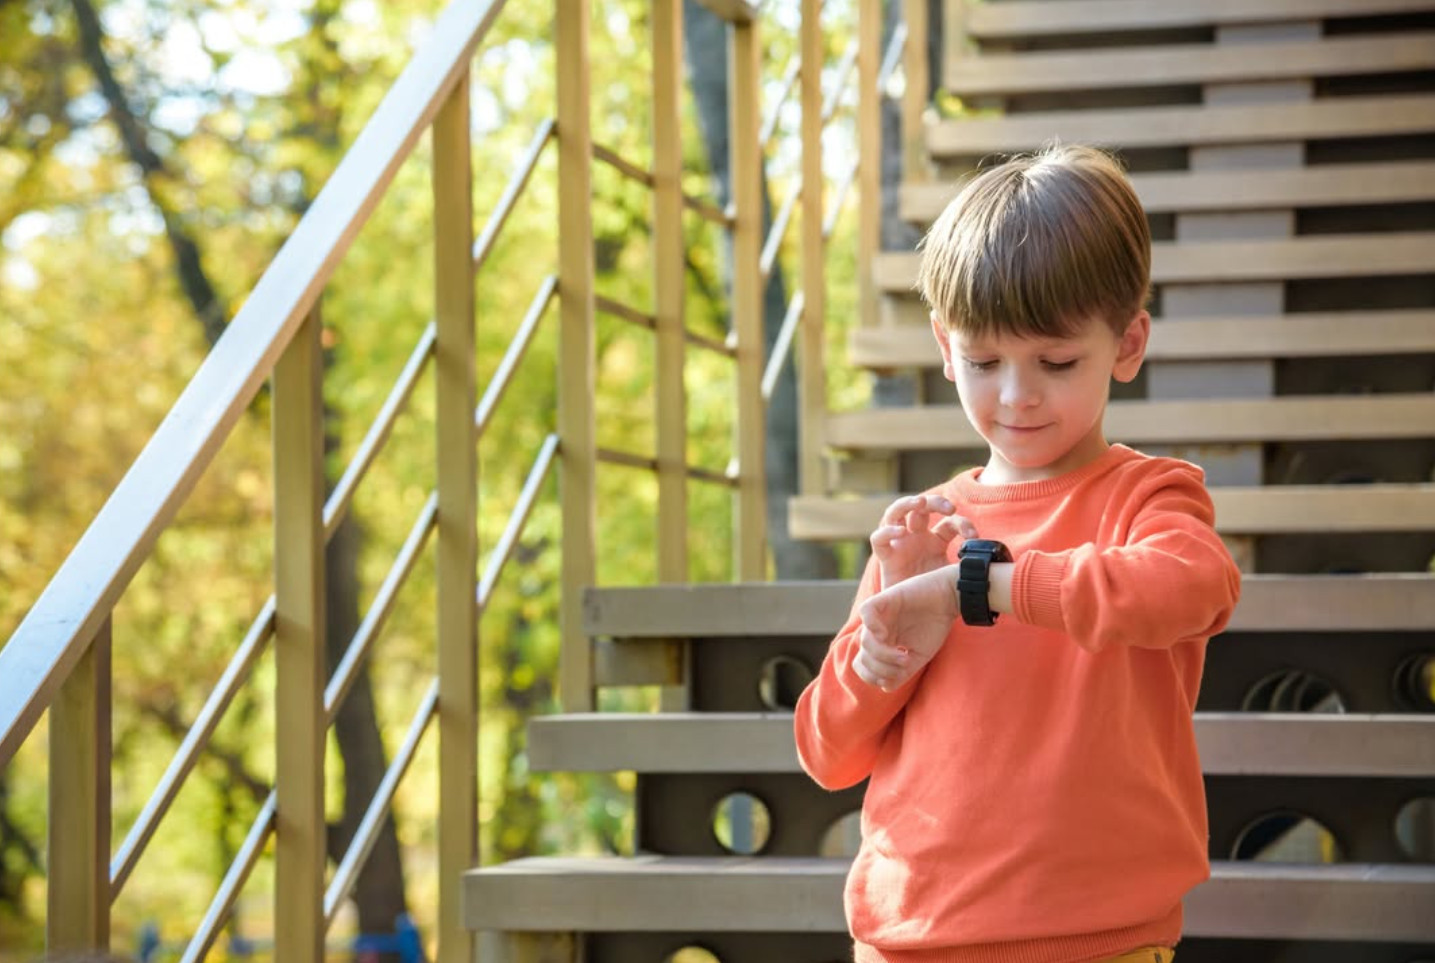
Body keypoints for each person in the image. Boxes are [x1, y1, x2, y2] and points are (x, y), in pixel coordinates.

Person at [793, 144, 1243, 963]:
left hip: (1096, 939)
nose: (1015, 394)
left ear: (1128, 342)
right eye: (983, 360)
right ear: (942, 344)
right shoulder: (927, 525)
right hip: (910, 938)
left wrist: (991, 586)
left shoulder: (1147, 499)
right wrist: (881, 659)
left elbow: (1193, 587)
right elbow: (826, 751)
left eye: (1057, 361)